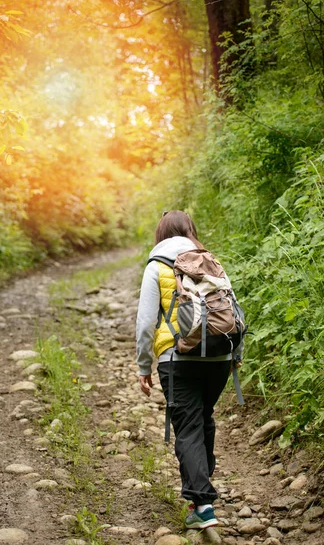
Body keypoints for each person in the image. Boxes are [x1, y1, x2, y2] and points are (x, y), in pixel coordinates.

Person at [136, 210, 233, 530]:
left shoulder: (157, 265)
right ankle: (201, 493)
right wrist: (236, 354)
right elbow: (232, 308)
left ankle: (203, 506)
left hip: (177, 359)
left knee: (189, 426)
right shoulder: (209, 259)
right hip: (219, 356)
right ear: (190, 229)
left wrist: (143, 365)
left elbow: (146, 322)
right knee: (203, 418)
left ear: (160, 233)